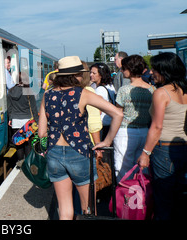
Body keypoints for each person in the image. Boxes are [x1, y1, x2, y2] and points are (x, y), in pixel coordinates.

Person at [38, 56, 123, 220]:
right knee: (88, 209)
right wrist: (106, 141)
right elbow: (118, 113)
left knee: (64, 209)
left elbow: (42, 133)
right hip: (79, 153)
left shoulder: (47, 95)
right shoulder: (83, 93)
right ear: (76, 74)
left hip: (54, 153)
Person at [137, 52, 187, 220]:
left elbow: (157, 127)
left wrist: (145, 153)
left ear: (165, 70)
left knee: (163, 199)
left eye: (155, 69)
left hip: (164, 151)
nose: (151, 72)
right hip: (183, 148)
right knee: (180, 198)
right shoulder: (184, 90)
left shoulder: (161, 93)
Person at [113, 55, 155, 182]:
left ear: (129, 70)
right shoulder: (152, 89)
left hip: (125, 132)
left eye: (123, 68)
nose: (121, 70)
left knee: (122, 168)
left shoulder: (124, 90)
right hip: (145, 132)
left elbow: (118, 113)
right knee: (142, 168)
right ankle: (141, 195)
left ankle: (125, 197)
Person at [8, 72, 38, 161]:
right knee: (28, 144)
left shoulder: (11, 91)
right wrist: (37, 121)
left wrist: (10, 119)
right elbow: (33, 108)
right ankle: (27, 163)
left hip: (16, 122)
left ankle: (20, 162)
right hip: (27, 123)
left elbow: (9, 108)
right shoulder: (28, 91)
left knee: (19, 144)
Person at [90, 62, 116, 140]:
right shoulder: (110, 86)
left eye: (94, 73)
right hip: (110, 123)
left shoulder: (100, 90)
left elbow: (98, 110)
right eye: (90, 72)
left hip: (102, 126)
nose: (91, 75)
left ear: (101, 75)